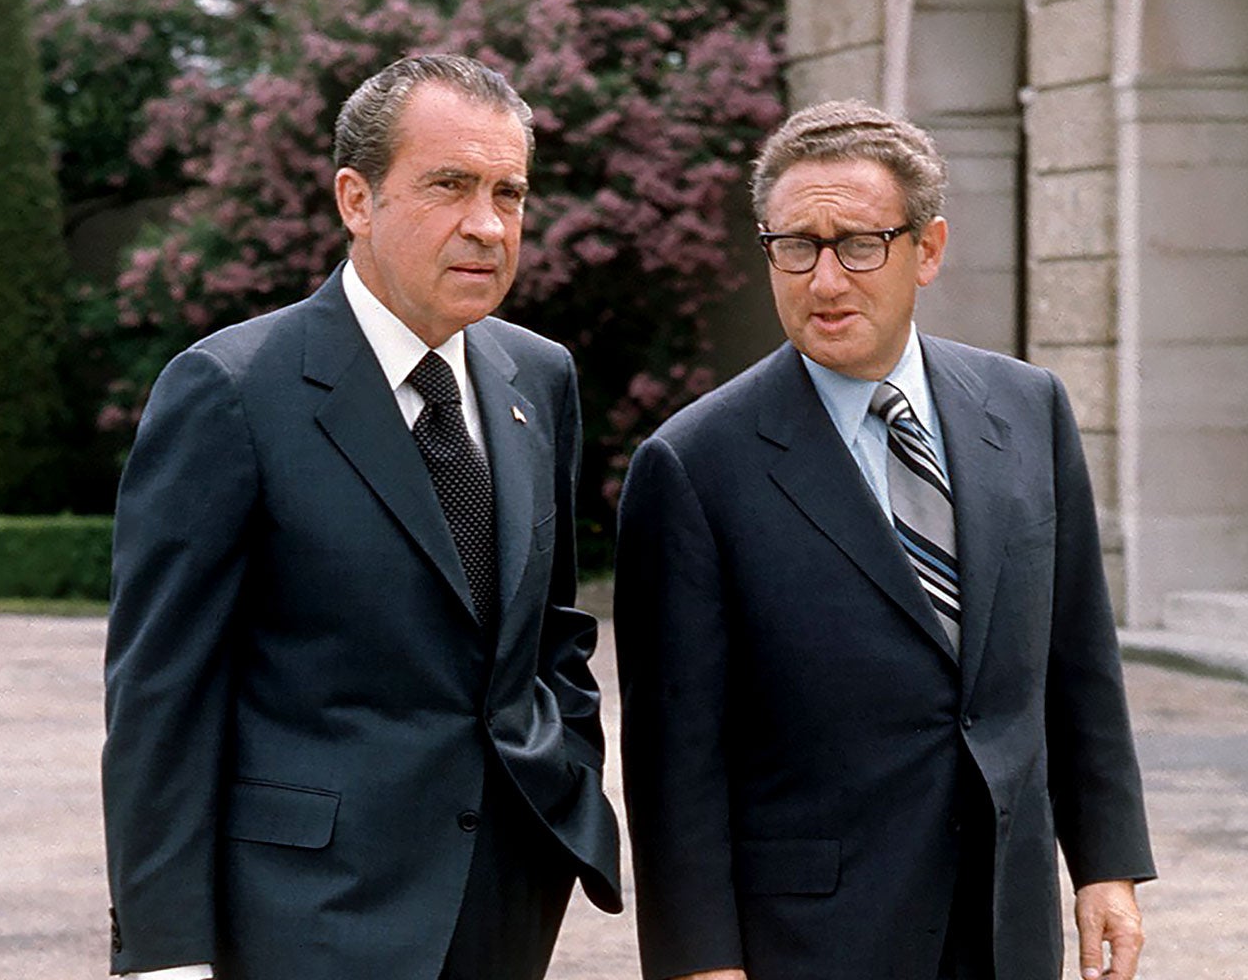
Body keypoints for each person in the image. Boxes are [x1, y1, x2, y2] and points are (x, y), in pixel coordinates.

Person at [102, 54, 621, 980]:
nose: (487, 225)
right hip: (306, 920)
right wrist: (164, 956)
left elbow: (549, 630)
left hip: (504, 903)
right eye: (450, 185)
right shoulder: (230, 391)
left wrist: (565, 772)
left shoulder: (538, 378)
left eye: (510, 193)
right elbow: (161, 700)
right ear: (356, 198)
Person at [614, 100, 1155, 980]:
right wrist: (699, 964)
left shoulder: (1027, 409)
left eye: (860, 244)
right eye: (796, 246)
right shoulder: (691, 465)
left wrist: (1107, 865)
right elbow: (675, 762)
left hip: (1004, 926)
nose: (825, 280)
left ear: (927, 250)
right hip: (814, 941)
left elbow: (1078, 662)